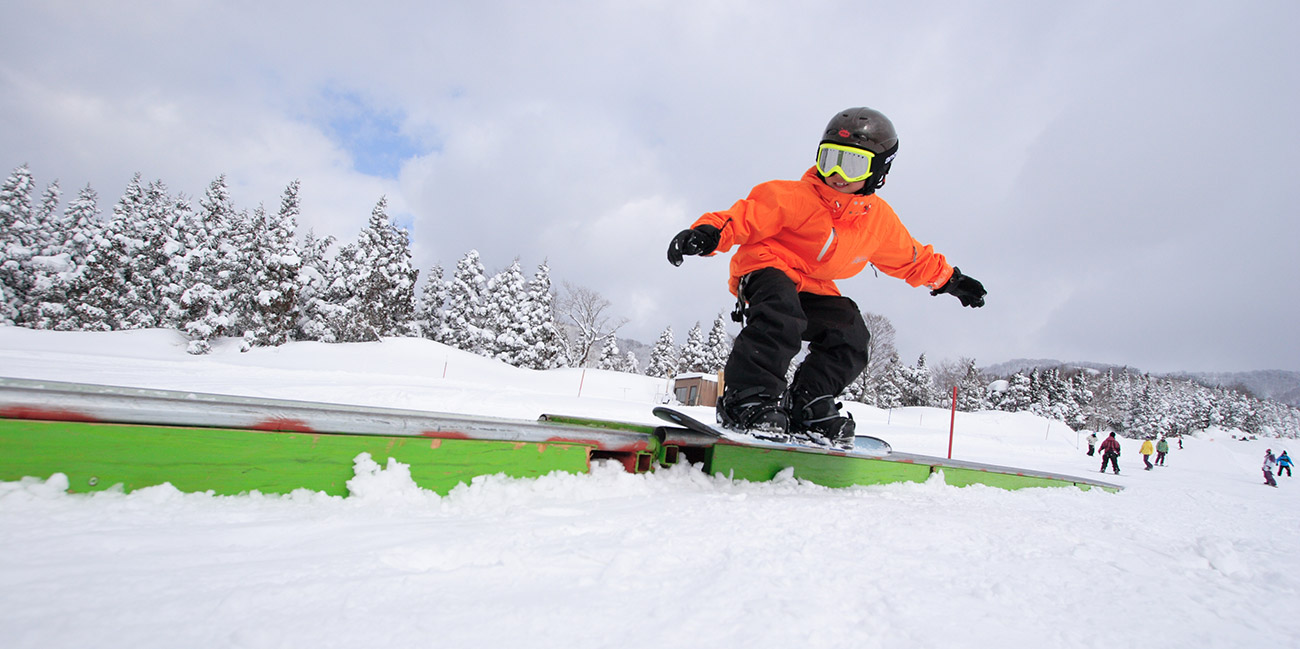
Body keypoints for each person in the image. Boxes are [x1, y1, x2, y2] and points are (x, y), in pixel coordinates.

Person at [667, 107, 986, 449]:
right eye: (829, 159)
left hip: (814, 286)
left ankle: (808, 402)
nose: (836, 173)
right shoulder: (792, 197)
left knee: (850, 332)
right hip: (766, 267)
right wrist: (707, 234)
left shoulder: (878, 222)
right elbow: (741, 217)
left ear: (879, 170)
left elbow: (911, 258)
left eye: (852, 164)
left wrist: (950, 281)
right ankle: (747, 399)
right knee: (780, 314)